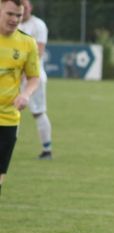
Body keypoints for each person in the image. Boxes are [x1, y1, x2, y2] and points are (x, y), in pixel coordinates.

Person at [0, 0, 40, 198]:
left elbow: (34, 77)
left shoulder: (27, 43)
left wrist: (25, 94)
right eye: (10, 14)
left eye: (18, 15)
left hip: (8, 119)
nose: (15, 19)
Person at [18, 0, 50, 160]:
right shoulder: (12, 24)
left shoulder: (38, 25)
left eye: (25, 6)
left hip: (34, 77)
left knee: (38, 112)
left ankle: (47, 149)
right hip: (13, 78)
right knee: (10, 112)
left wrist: (26, 72)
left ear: (30, 7)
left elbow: (39, 52)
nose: (22, 10)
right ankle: (7, 146)